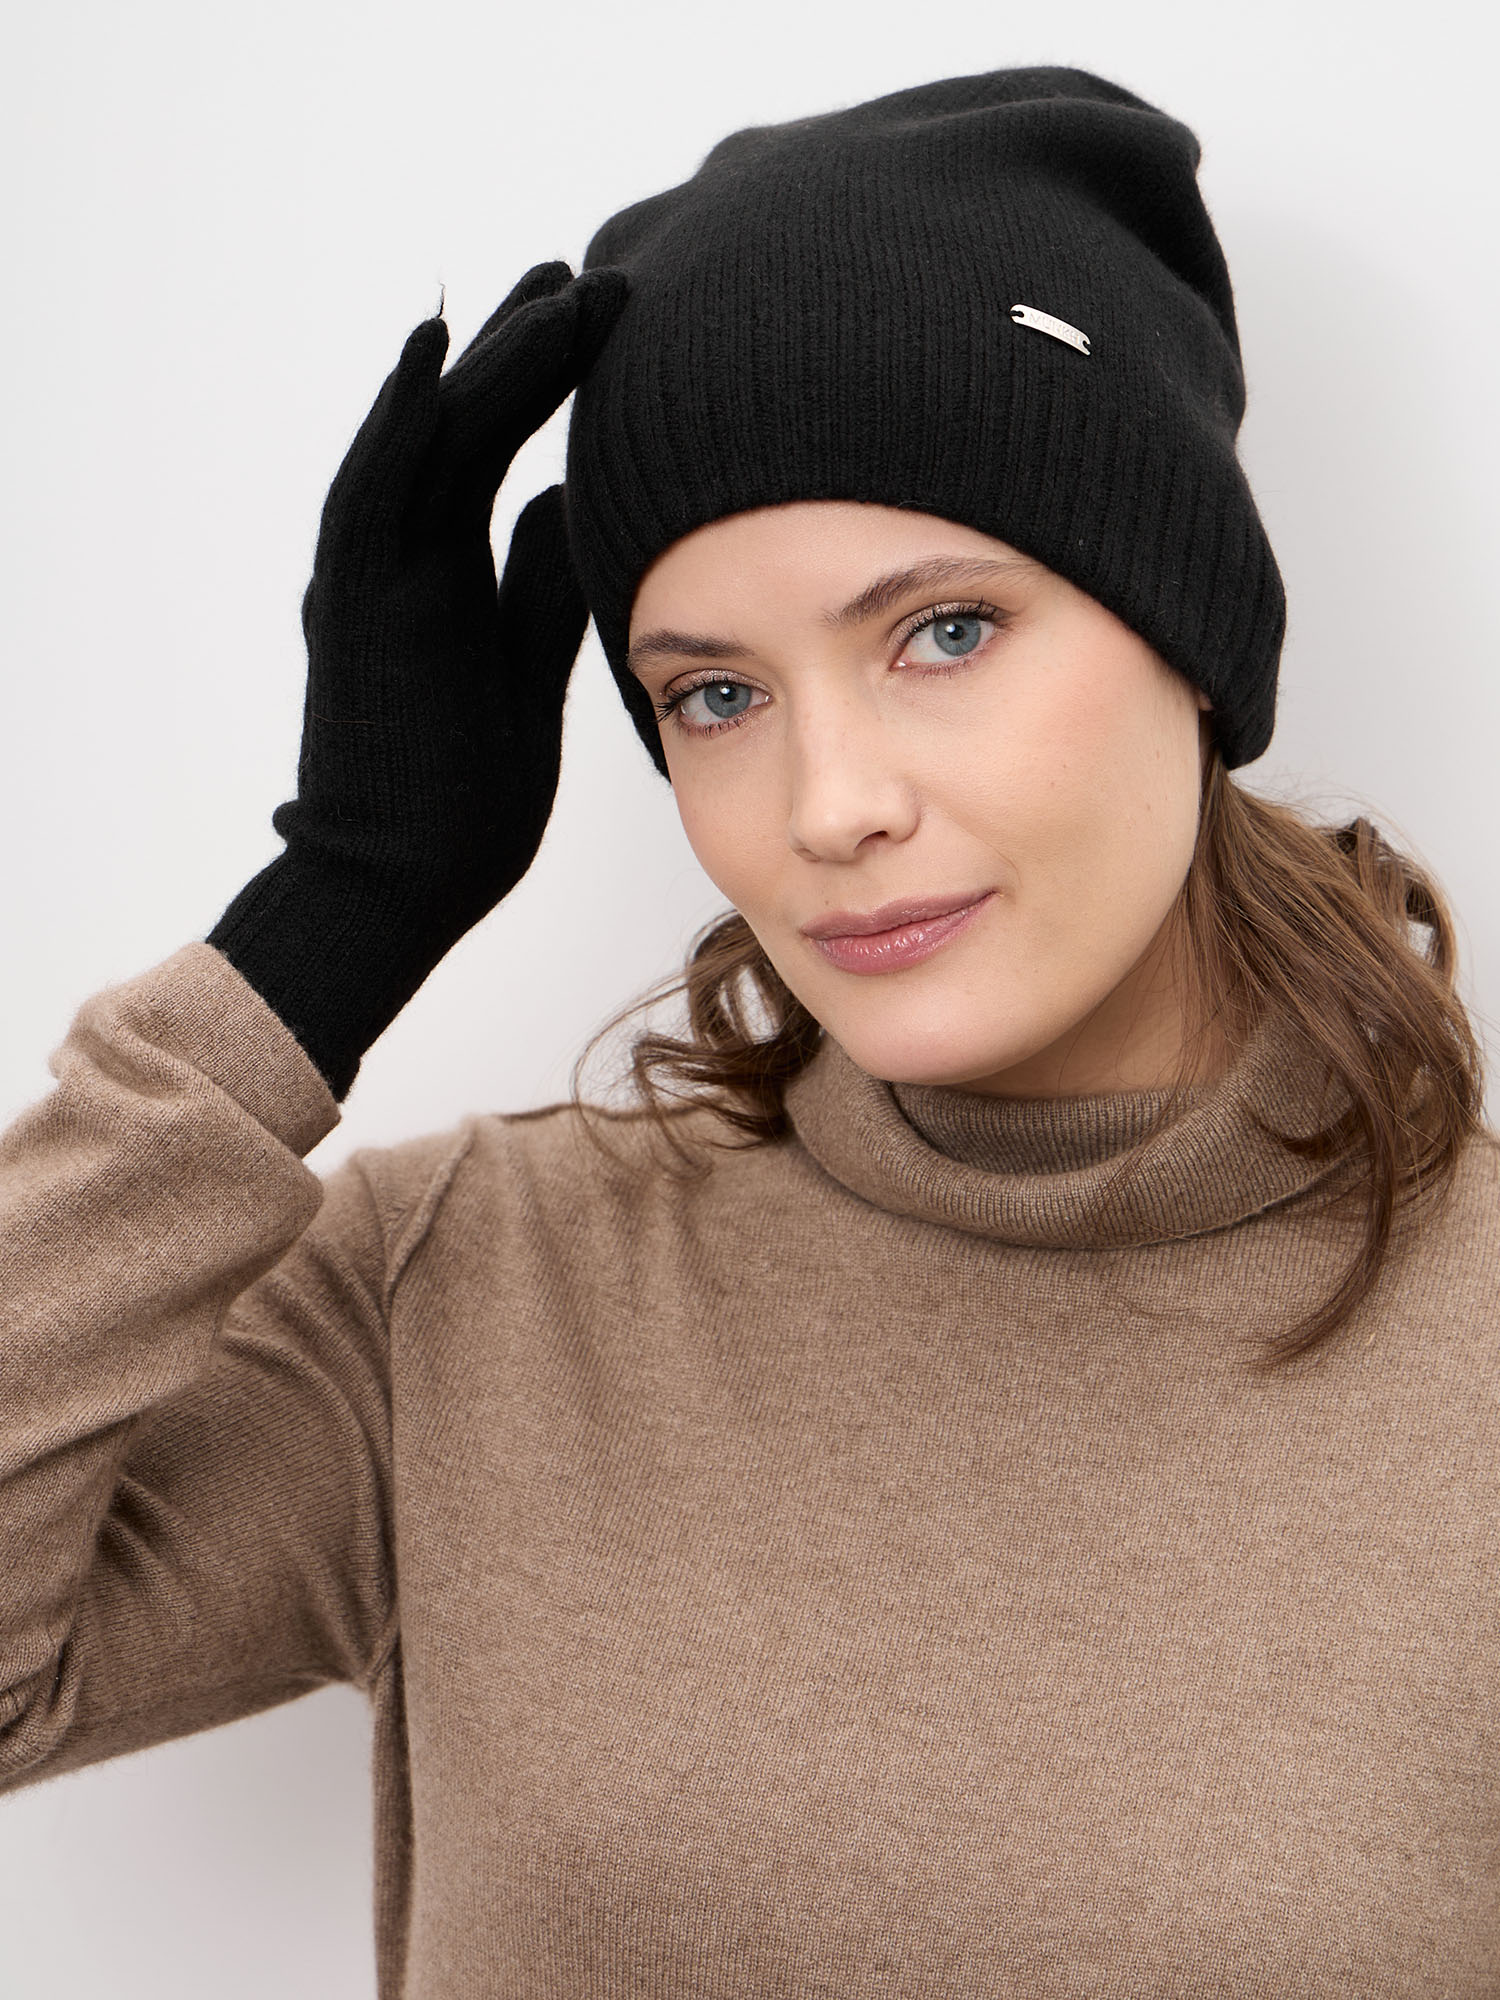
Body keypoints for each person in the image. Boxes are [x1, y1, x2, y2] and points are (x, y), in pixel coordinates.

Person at [1, 62, 1495, 1999]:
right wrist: (341, 906)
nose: (828, 805)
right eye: (715, 694)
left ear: (1190, 626)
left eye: (944, 630)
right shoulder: (471, 1289)